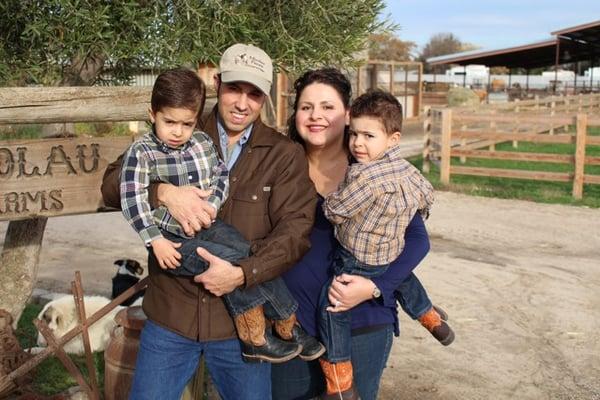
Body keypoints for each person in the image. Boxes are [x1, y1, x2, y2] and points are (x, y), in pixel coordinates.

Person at [101, 44, 320, 399]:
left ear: (264, 97)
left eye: (254, 94)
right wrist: (163, 193)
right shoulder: (180, 123)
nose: (241, 102)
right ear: (217, 83)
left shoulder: (284, 155)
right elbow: (113, 184)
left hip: (240, 330)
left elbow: (294, 234)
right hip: (172, 317)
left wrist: (242, 274)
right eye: (234, 88)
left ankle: (285, 323)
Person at [270, 69, 432, 400]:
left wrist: (375, 286)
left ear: (347, 115)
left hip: (363, 323)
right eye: (306, 107)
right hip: (294, 329)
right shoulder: (281, 166)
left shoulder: (374, 169)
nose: (316, 116)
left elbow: (417, 240)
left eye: (327, 107)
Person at [317, 89, 454, 398]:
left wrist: (329, 201)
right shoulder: (408, 170)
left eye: (368, 136)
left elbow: (335, 212)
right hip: (389, 254)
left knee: (332, 305)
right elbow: (427, 198)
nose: (358, 143)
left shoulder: (365, 176)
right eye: (354, 134)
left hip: (356, 258)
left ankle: (339, 379)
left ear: (392, 139)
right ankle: (430, 317)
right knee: (403, 277)